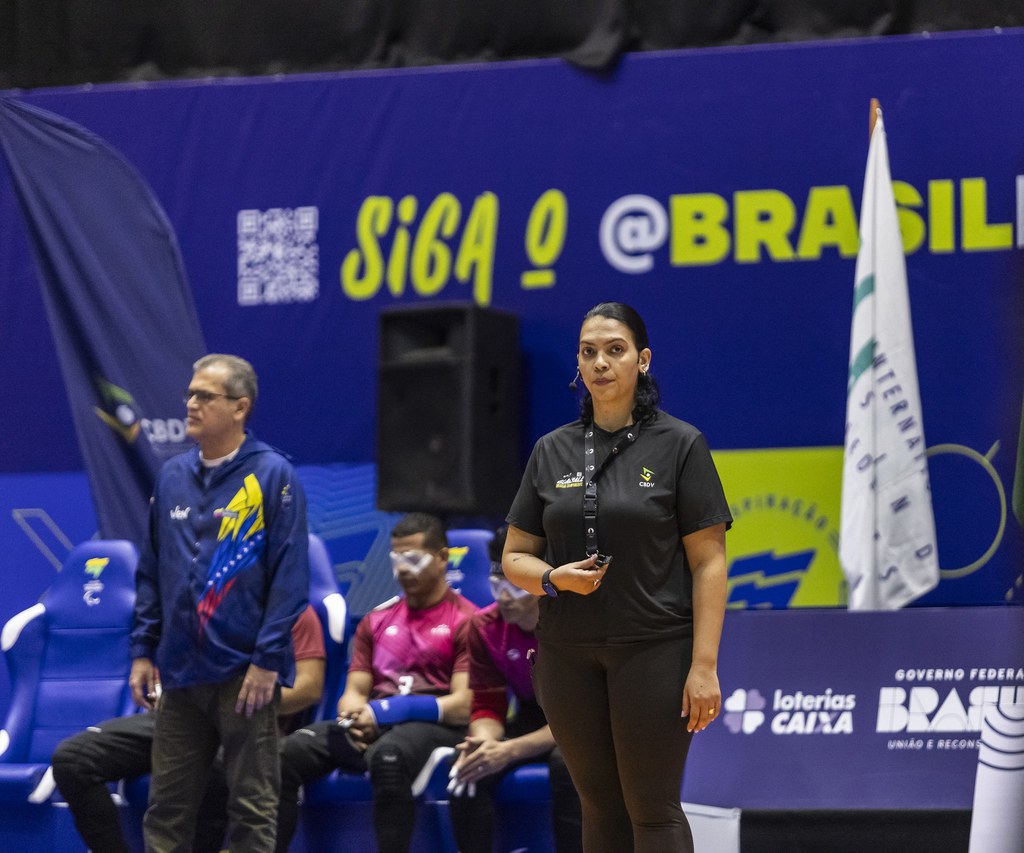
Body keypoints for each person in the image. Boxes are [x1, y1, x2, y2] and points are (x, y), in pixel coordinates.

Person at [502, 302, 731, 853]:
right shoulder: (550, 449)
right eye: (588, 352)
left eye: (614, 350)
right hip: (566, 654)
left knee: (651, 811)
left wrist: (704, 666)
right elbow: (515, 559)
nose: (600, 363)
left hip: (653, 649)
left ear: (642, 360)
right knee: (599, 810)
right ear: (577, 365)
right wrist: (554, 577)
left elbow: (710, 563)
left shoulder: (680, 444)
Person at [129, 353, 310, 852]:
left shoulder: (274, 476)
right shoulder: (170, 478)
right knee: (165, 808)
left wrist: (268, 661)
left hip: (243, 675)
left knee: (251, 808)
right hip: (181, 673)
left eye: (204, 396)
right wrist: (144, 650)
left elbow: (290, 578)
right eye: (189, 394)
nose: (190, 404)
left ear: (239, 407)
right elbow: (152, 569)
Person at [275, 512, 478, 853]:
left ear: (443, 558)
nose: (402, 569)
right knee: (283, 756)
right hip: (373, 726)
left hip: (434, 727)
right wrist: (355, 715)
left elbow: (462, 706)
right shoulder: (376, 620)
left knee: (388, 758)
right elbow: (353, 692)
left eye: (413, 558)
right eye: (396, 558)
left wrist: (382, 713)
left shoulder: (468, 621)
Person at [52, 605, 326, 853]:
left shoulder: (291, 609)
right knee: (74, 760)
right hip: (177, 721)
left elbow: (309, 687)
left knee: (213, 770)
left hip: (247, 728)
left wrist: (229, 702)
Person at [447, 526, 583, 853]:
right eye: (496, 586)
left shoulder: (576, 623)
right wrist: (486, 744)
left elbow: (578, 718)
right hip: (531, 712)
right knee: (469, 768)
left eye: (515, 587)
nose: (504, 598)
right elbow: (487, 705)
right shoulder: (484, 628)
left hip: (584, 721)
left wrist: (509, 751)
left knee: (570, 766)